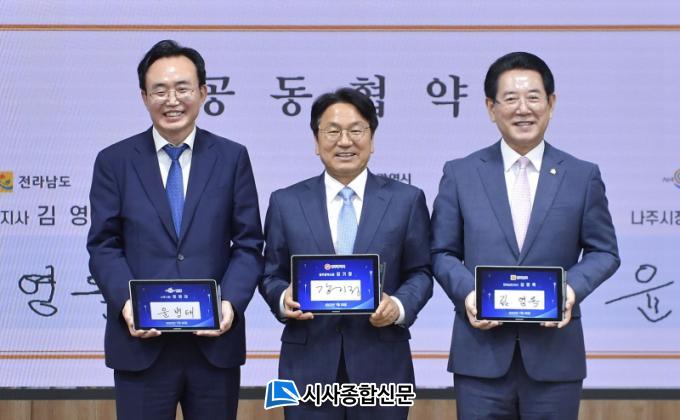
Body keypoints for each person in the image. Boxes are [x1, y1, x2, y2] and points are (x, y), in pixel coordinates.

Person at [430, 51, 620, 419]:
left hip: (555, 357)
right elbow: (441, 252)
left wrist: (568, 291)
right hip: (480, 355)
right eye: (511, 98)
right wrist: (469, 294)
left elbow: (604, 252)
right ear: (491, 107)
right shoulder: (460, 173)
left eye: (533, 97)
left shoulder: (581, 176)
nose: (523, 109)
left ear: (551, 103)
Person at [87, 39, 264, 420]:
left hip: (214, 346)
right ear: (143, 97)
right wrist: (128, 305)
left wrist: (230, 304)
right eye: (160, 90)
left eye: (182, 88)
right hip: (141, 346)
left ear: (203, 92)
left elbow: (249, 244)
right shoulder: (114, 161)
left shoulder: (232, 157)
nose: (172, 100)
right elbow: (103, 245)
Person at [259, 88, 433, 419]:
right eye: (333, 131)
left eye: (356, 130)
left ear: (372, 138)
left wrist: (397, 306)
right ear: (316, 141)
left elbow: (421, 272)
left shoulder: (406, 200)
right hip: (307, 365)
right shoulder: (286, 202)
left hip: (381, 363)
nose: (345, 141)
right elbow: (270, 274)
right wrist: (284, 298)